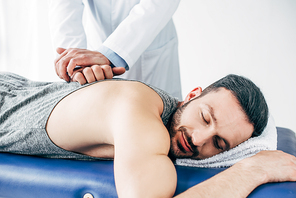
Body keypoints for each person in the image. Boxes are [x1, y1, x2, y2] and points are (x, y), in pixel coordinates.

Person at [0, 72, 295, 197]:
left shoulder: (158, 116)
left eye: (219, 144)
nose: (199, 139)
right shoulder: (141, 117)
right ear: (191, 95)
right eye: (205, 117)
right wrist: (252, 170)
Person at [48, 0, 182, 99]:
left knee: (161, 125)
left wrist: (111, 54)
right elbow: (64, 5)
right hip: (95, 50)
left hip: (150, 47)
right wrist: (74, 64)